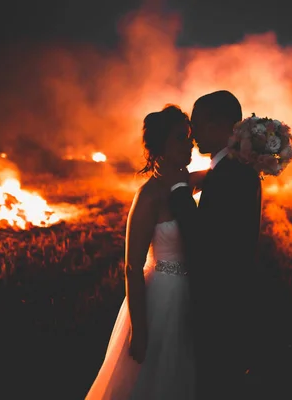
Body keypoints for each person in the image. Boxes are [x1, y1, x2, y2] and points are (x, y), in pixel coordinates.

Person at [86, 104, 197, 400]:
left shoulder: (183, 183)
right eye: (180, 138)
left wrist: (251, 153)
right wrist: (140, 329)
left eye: (190, 138)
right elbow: (132, 267)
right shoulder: (149, 195)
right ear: (160, 146)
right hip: (161, 298)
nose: (189, 144)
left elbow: (215, 175)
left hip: (190, 294)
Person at [165, 90, 263, 399]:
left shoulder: (231, 174)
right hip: (231, 297)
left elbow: (202, 239)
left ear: (220, 125)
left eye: (197, 125)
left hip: (220, 302)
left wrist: (178, 189)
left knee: (214, 382)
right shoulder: (231, 169)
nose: (192, 135)